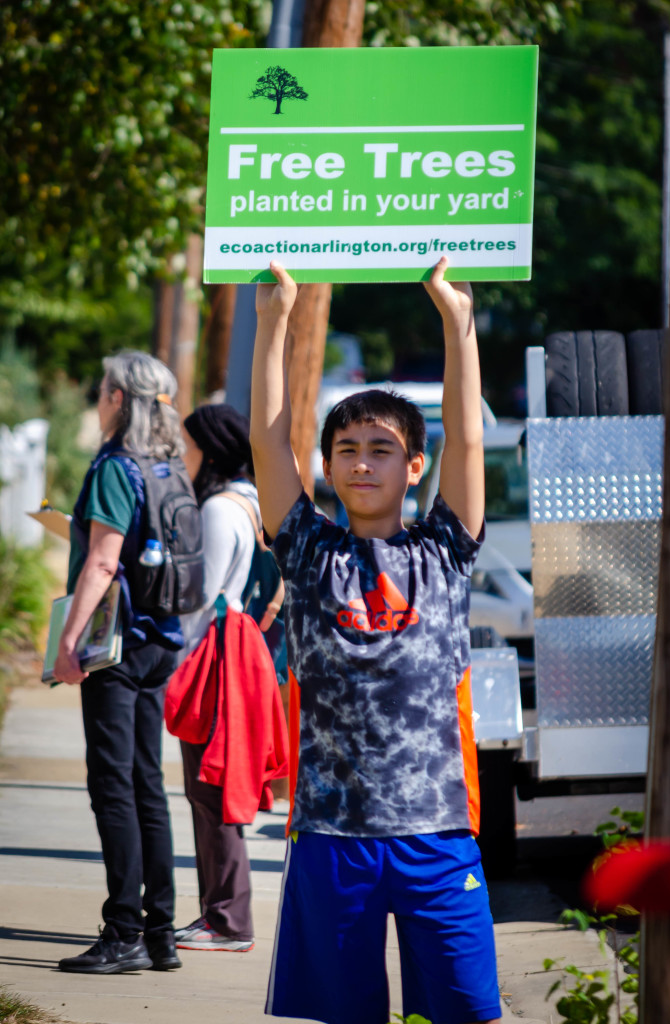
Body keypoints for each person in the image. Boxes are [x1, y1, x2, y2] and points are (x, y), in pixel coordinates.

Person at [249, 256, 502, 1024]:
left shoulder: (443, 550)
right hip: (332, 836)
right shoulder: (305, 547)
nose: (363, 461)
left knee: (461, 1011)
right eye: (348, 449)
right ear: (326, 466)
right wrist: (272, 323)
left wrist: (457, 324)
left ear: (413, 466)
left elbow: (468, 440)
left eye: (382, 448)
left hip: (439, 833)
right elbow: (268, 443)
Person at [55, 351, 184, 975]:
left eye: (103, 388)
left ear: (117, 399)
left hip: (119, 646)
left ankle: (122, 932)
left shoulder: (114, 467)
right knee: (147, 785)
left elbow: (103, 563)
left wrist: (68, 642)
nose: (98, 395)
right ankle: (160, 933)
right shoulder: (170, 467)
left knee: (113, 789)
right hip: (162, 640)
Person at [173, 403, 261, 953]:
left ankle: (227, 921)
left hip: (210, 664)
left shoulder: (217, 509)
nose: (184, 456)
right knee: (217, 789)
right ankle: (220, 916)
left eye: (190, 446)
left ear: (212, 450)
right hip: (238, 659)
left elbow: (198, 602)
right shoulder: (251, 503)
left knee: (209, 792)